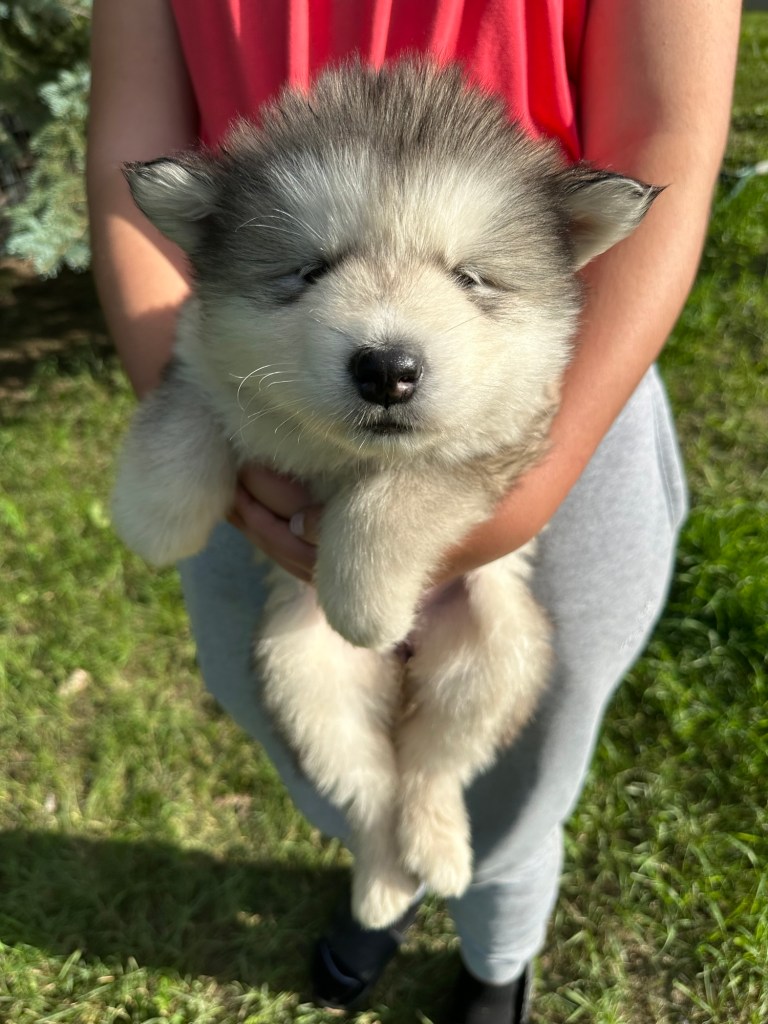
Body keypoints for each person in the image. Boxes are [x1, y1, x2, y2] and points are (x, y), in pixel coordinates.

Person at [87, 3, 741, 1021]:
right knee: (293, 691)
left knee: (518, 755)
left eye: (461, 276)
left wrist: (515, 491)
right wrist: (195, 424)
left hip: (567, 406)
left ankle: (499, 950)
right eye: (323, 272)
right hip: (268, 393)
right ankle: (375, 847)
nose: (388, 340)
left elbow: (667, 134)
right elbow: (134, 155)